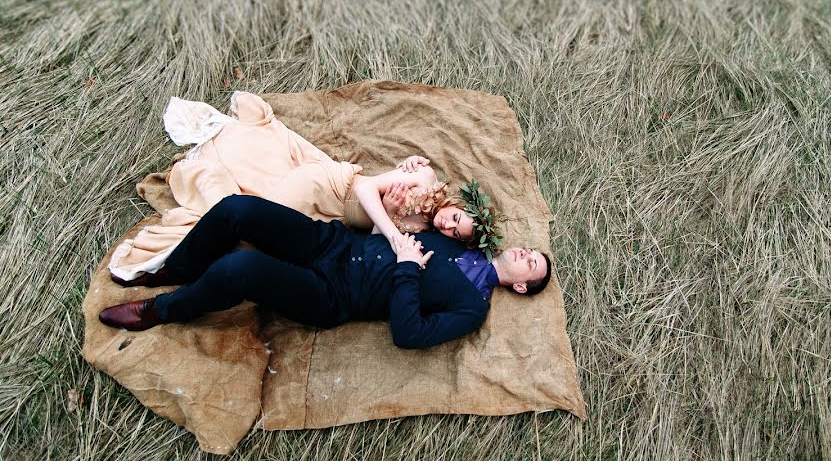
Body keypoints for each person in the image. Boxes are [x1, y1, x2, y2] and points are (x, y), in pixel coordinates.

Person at [109, 91, 483, 283]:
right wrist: (391, 228)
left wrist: (385, 227)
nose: (447, 224)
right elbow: (369, 192)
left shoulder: (424, 230)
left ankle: (195, 260)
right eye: (456, 218)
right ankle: (181, 261)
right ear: (461, 205)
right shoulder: (425, 178)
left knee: (266, 231)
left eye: (454, 231)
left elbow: (369, 234)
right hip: (331, 188)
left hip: (332, 218)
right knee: (247, 216)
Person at [99, 195, 552, 349]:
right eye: (530, 250)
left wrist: (409, 270)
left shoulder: (472, 308)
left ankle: (162, 309)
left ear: (518, 284)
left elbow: (410, 334)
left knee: (240, 267)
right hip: (332, 243)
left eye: (531, 263)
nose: (526, 253)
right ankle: (173, 268)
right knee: (238, 210)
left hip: (333, 292)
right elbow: (433, 209)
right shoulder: (464, 237)